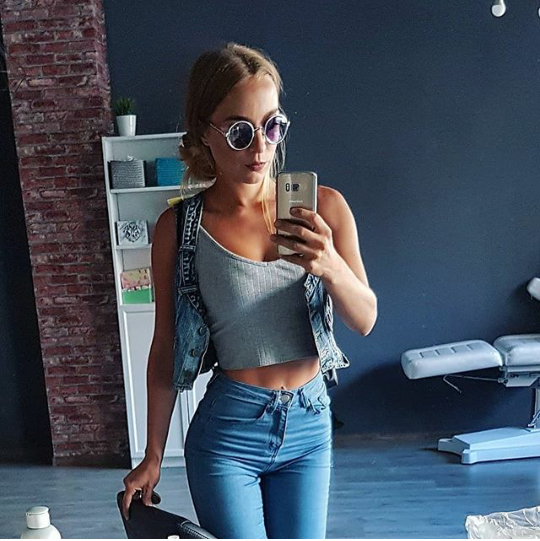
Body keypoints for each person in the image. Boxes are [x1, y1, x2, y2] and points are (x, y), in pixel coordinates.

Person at [122, 42, 377, 539]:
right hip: (228, 435)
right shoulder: (179, 229)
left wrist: (329, 265)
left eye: (272, 126)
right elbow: (165, 348)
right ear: (204, 132)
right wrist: (152, 455)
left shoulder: (326, 209)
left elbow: (365, 318)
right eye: (240, 132)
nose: (260, 148)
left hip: (310, 426)